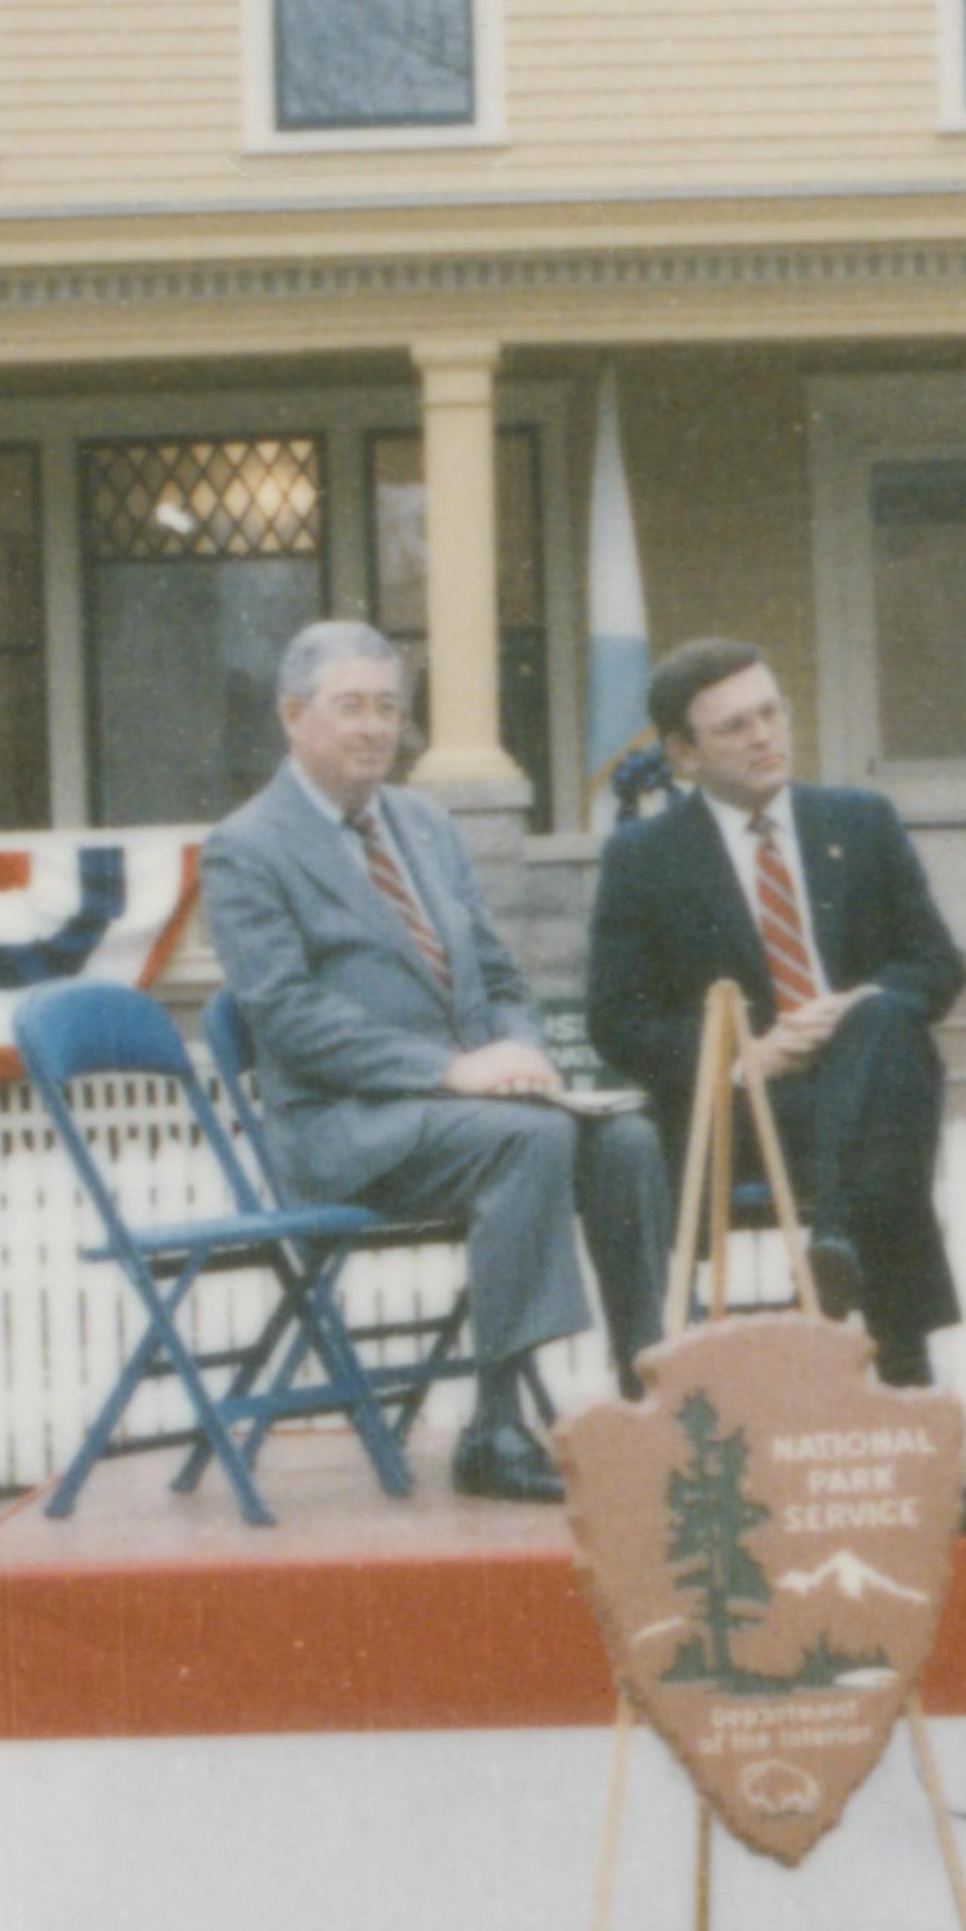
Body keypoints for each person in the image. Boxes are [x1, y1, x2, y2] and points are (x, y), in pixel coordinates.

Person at [202, 621, 668, 1504]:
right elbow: (289, 1017)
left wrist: (521, 1049)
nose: (376, 728)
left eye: (389, 707)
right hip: (342, 1128)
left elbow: (495, 973)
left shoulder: (424, 825)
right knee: (525, 1142)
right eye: (351, 708)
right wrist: (449, 1070)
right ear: (293, 717)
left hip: (468, 1115)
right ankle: (496, 1426)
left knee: (630, 1142)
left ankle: (648, 1399)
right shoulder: (247, 847)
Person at [587, 640, 966, 1388]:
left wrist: (850, 1008)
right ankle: (899, 1351)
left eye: (771, 713)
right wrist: (745, 1053)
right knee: (886, 1105)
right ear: (682, 753)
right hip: (741, 1108)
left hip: (864, 1081)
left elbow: (937, 969)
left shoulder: (861, 821)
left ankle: (836, 1240)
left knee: (887, 1022)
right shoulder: (645, 857)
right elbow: (617, 1021)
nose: (764, 736)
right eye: (734, 727)